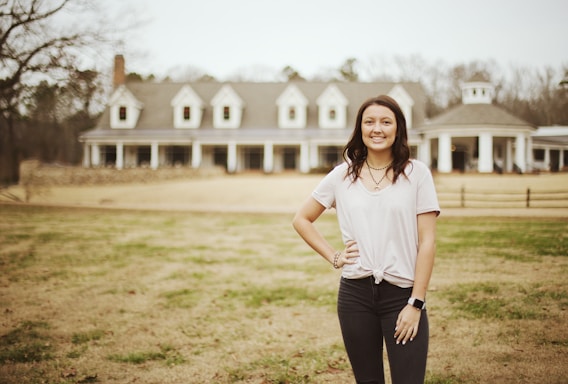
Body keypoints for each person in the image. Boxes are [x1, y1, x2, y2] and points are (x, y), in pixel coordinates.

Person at [292, 95, 440, 384]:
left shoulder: (417, 174)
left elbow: (428, 243)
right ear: (360, 128)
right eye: (369, 121)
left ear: (398, 129)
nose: (377, 128)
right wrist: (334, 256)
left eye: (386, 122)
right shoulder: (341, 176)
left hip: (402, 295)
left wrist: (416, 303)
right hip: (355, 296)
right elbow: (302, 219)